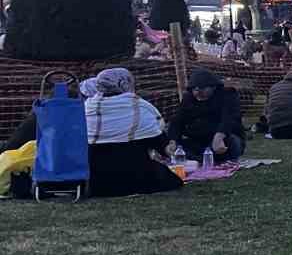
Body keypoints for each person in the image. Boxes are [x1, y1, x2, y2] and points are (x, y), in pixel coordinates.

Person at [80, 68, 184, 197]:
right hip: (134, 177)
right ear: (125, 84)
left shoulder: (87, 108)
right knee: (172, 180)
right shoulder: (139, 107)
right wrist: (171, 146)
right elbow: (161, 145)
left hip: (96, 182)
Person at [166, 68, 246, 163]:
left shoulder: (227, 95)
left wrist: (219, 136)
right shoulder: (188, 98)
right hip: (198, 141)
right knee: (179, 147)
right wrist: (173, 142)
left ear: (213, 87)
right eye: (194, 89)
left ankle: (200, 159)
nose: (197, 93)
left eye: (202, 89)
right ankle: (198, 159)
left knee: (233, 142)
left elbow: (230, 118)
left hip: (222, 139)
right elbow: (177, 121)